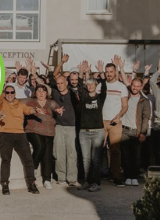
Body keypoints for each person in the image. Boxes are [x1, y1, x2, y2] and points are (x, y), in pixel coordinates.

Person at [0, 85, 47, 195]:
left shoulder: (20, 104)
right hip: (5, 133)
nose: (9, 94)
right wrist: (1, 86)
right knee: (6, 159)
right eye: (7, 92)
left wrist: (35, 110)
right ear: (4, 93)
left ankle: (31, 183)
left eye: (12, 92)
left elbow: (28, 110)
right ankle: (5, 184)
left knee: (28, 159)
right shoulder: (1, 104)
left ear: (15, 93)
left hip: (20, 134)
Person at [99, 59, 129, 187]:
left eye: (111, 72)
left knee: (115, 150)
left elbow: (125, 106)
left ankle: (116, 176)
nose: (109, 74)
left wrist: (119, 116)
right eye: (107, 72)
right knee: (98, 149)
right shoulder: (100, 86)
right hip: (101, 121)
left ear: (115, 72)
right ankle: (98, 175)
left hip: (114, 122)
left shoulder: (121, 87)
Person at [77, 63, 106, 192]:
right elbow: (79, 88)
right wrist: (81, 73)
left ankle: (96, 183)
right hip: (84, 132)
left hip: (97, 131)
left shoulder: (100, 98)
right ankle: (87, 181)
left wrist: (102, 73)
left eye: (92, 84)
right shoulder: (84, 98)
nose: (90, 87)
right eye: (88, 85)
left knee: (96, 159)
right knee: (86, 159)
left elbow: (104, 88)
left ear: (95, 85)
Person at [50, 54, 78, 185]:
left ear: (67, 83)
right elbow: (55, 74)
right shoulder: (55, 92)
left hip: (71, 126)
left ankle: (71, 178)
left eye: (62, 83)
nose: (60, 85)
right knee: (59, 152)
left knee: (71, 153)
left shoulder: (73, 93)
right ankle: (61, 177)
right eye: (58, 83)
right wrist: (61, 62)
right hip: (59, 126)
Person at [24, 85, 58, 189]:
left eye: (43, 91)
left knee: (47, 155)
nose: (41, 93)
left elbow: (56, 108)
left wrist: (58, 110)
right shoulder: (30, 101)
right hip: (33, 130)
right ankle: (33, 168)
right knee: (40, 146)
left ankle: (47, 179)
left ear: (46, 93)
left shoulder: (51, 102)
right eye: (38, 91)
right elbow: (17, 102)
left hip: (49, 131)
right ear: (35, 93)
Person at [121, 77, 151, 186]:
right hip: (124, 129)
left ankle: (134, 176)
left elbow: (145, 118)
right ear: (131, 85)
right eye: (134, 85)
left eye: (138, 86)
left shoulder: (144, 101)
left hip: (136, 131)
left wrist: (143, 133)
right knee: (125, 155)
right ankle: (127, 176)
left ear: (141, 87)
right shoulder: (125, 97)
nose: (135, 88)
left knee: (136, 156)